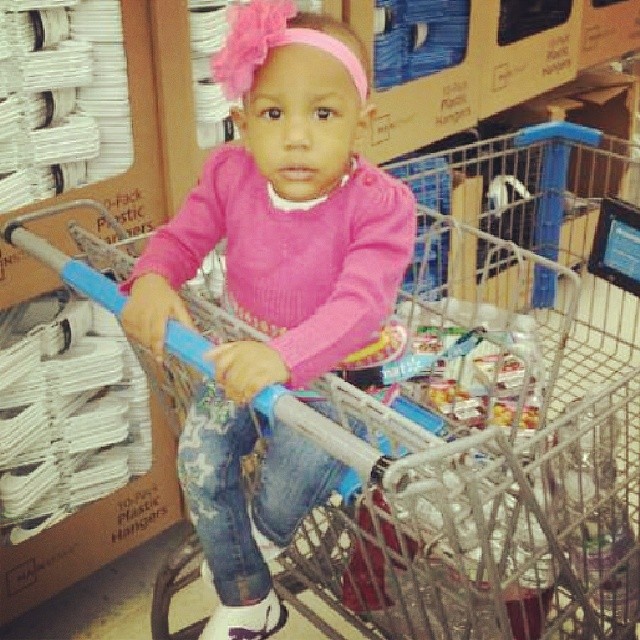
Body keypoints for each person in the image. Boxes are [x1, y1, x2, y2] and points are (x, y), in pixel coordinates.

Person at [120, 1, 416, 638]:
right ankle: (252, 596)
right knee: (199, 459)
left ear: (362, 123)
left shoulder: (380, 208)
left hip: (336, 382)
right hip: (241, 359)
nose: (297, 137)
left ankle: (249, 555)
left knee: (280, 497)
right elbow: (181, 237)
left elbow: (360, 303)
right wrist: (152, 277)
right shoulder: (232, 175)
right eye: (274, 114)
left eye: (323, 113)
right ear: (244, 123)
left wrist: (285, 358)